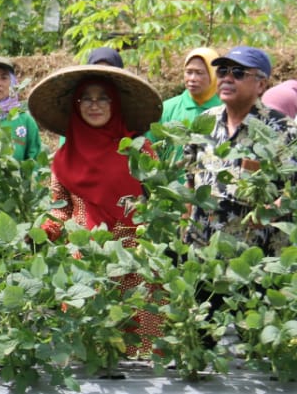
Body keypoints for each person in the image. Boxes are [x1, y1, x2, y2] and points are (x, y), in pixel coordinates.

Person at [26, 64, 164, 351]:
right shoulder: (64, 158)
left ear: (115, 104)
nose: (94, 105)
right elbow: (59, 210)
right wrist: (39, 235)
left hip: (135, 256)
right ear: (76, 107)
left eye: (103, 98)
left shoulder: (138, 150)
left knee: (143, 343)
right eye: (86, 99)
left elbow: (158, 202)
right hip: (87, 259)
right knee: (88, 346)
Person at [186, 46, 297, 255]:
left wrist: (270, 212)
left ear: (261, 85)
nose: (227, 78)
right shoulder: (205, 121)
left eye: (238, 73)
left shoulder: (282, 130)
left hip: (253, 260)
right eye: (222, 72)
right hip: (203, 253)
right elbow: (189, 175)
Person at [154, 47, 220, 163]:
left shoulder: (225, 110)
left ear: (214, 75)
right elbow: (151, 146)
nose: (192, 79)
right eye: (189, 72)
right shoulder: (167, 108)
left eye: (199, 73)